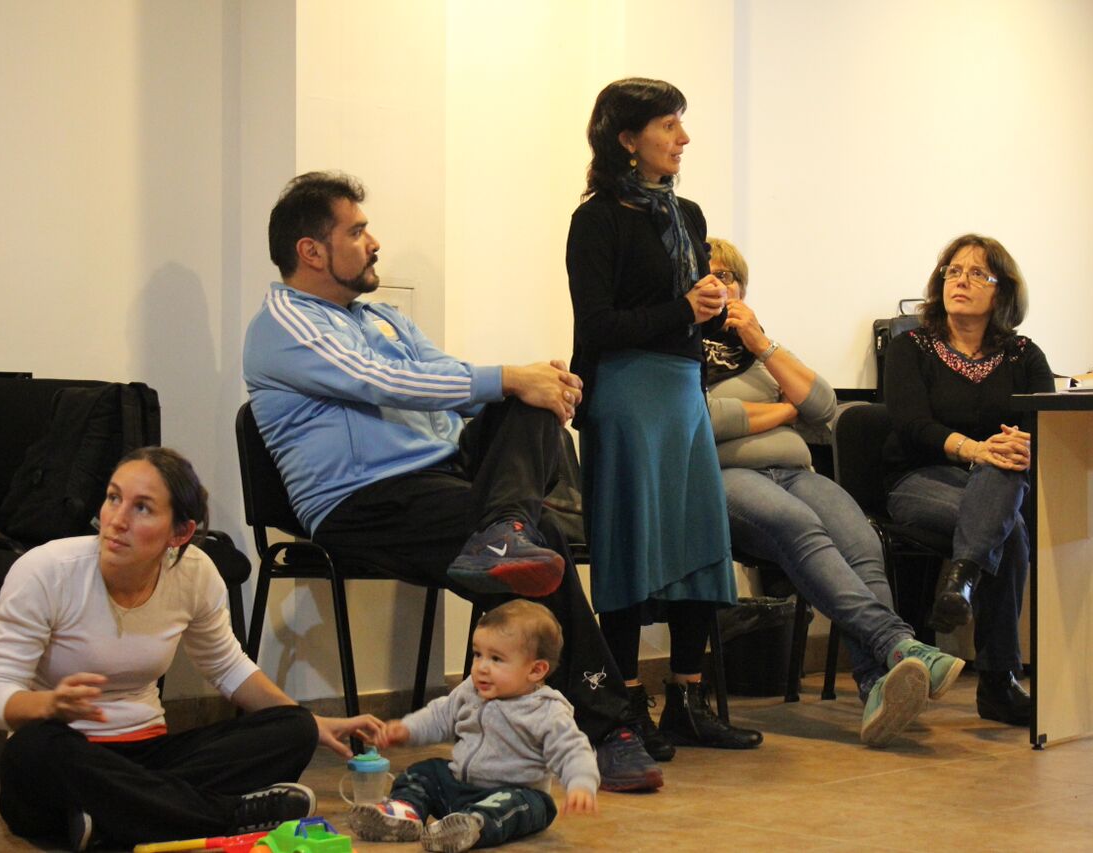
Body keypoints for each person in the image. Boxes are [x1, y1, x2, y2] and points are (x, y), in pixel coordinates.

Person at [242, 171, 660, 793]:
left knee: (528, 402)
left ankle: (504, 530)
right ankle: (608, 726)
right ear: (312, 251)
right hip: (363, 502)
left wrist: (535, 382)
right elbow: (379, 381)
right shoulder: (283, 325)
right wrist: (510, 377)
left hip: (439, 482)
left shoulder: (380, 317)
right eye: (356, 232)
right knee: (542, 534)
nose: (373, 243)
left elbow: (450, 378)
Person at [0, 447, 385, 851]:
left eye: (142, 508)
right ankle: (227, 816)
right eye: (113, 498)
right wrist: (47, 705)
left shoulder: (194, 573)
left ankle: (114, 820)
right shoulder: (45, 571)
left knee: (293, 729)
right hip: (68, 759)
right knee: (32, 750)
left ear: (180, 533)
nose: (116, 520)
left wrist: (311, 722)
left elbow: (227, 666)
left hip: (150, 756)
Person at [565, 77, 762, 761]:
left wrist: (705, 309)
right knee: (631, 547)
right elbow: (598, 325)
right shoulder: (596, 219)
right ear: (628, 139)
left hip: (682, 391)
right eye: (669, 125)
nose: (684, 138)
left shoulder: (688, 215)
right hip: (625, 395)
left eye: (682, 123)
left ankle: (686, 700)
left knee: (698, 544)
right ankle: (625, 705)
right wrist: (683, 308)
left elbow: (684, 317)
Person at [703, 237, 964, 747]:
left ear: (742, 289)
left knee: (863, 543)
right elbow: (706, 420)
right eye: (707, 276)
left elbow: (822, 405)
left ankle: (877, 686)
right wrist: (784, 410)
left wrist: (760, 342)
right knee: (798, 524)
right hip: (728, 478)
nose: (718, 284)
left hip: (795, 472)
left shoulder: (758, 350)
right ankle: (899, 643)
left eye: (727, 276)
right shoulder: (680, 350)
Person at [883, 234, 1055, 726]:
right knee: (1009, 528)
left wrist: (1020, 445)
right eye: (953, 271)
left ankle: (961, 579)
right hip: (918, 479)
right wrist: (976, 449)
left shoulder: (1024, 355)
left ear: (1002, 291)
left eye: (977, 273)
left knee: (1004, 479)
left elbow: (1047, 424)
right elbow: (911, 425)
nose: (961, 280)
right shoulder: (910, 347)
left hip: (996, 485)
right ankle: (998, 683)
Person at [350, 600, 597, 852]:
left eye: (496, 659)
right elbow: (439, 715)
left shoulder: (546, 710)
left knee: (527, 804)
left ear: (535, 670)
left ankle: (473, 825)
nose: (481, 667)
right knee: (422, 772)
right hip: (459, 786)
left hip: (512, 794)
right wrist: (406, 729)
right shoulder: (470, 690)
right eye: (478, 654)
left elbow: (572, 750)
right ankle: (405, 813)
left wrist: (581, 782)